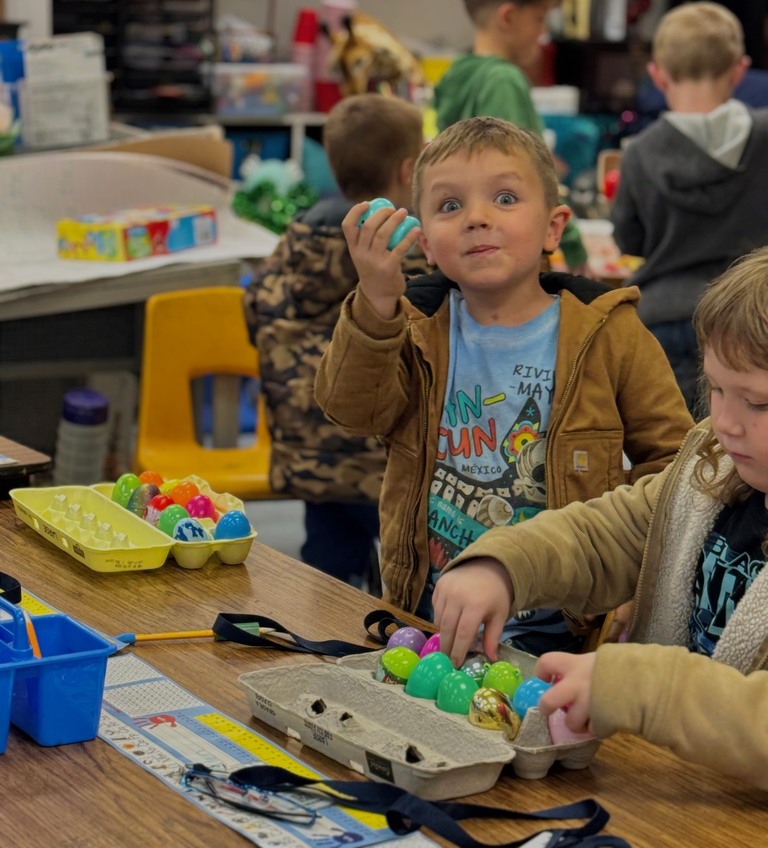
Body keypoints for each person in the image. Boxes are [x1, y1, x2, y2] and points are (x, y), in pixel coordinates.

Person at [315, 116, 692, 652]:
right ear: (424, 241)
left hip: (563, 628)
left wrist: (639, 579)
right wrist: (375, 301)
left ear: (554, 228)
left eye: (506, 198)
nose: (476, 219)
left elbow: (674, 465)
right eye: (450, 205)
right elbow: (351, 410)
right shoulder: (414, 326)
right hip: (429, 617)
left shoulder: (609, 332)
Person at [432, 246, 768, 790]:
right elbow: (604, 534)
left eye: (758, 403)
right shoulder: (713, 469)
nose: (725, 423)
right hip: (670, 787)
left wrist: (642, 690)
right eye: (718, 390)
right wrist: (503, 564)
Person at [243, 93, 427, 590]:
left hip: (311, 457)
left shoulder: (292, 243)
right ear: (409, 169)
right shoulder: (409, 255)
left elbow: (253, 312)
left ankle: (324, 648)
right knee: (411, 572)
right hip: (387, 460)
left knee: (327, 576)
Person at [611, 1, 768, 415]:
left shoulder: (640, 152)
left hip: (661, 318)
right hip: (752, 316)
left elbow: (629, 238)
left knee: (672, 449)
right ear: (739, 69)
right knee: (737, 451)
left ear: (657, 75)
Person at [433, 0, 587, 273]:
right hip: (506, 258)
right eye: (539, 18)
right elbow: (532, 176)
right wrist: (573, 247)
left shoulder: (455, 74)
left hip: (468, 252)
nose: (543, 33)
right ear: (508, 17)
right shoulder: (504, 80)